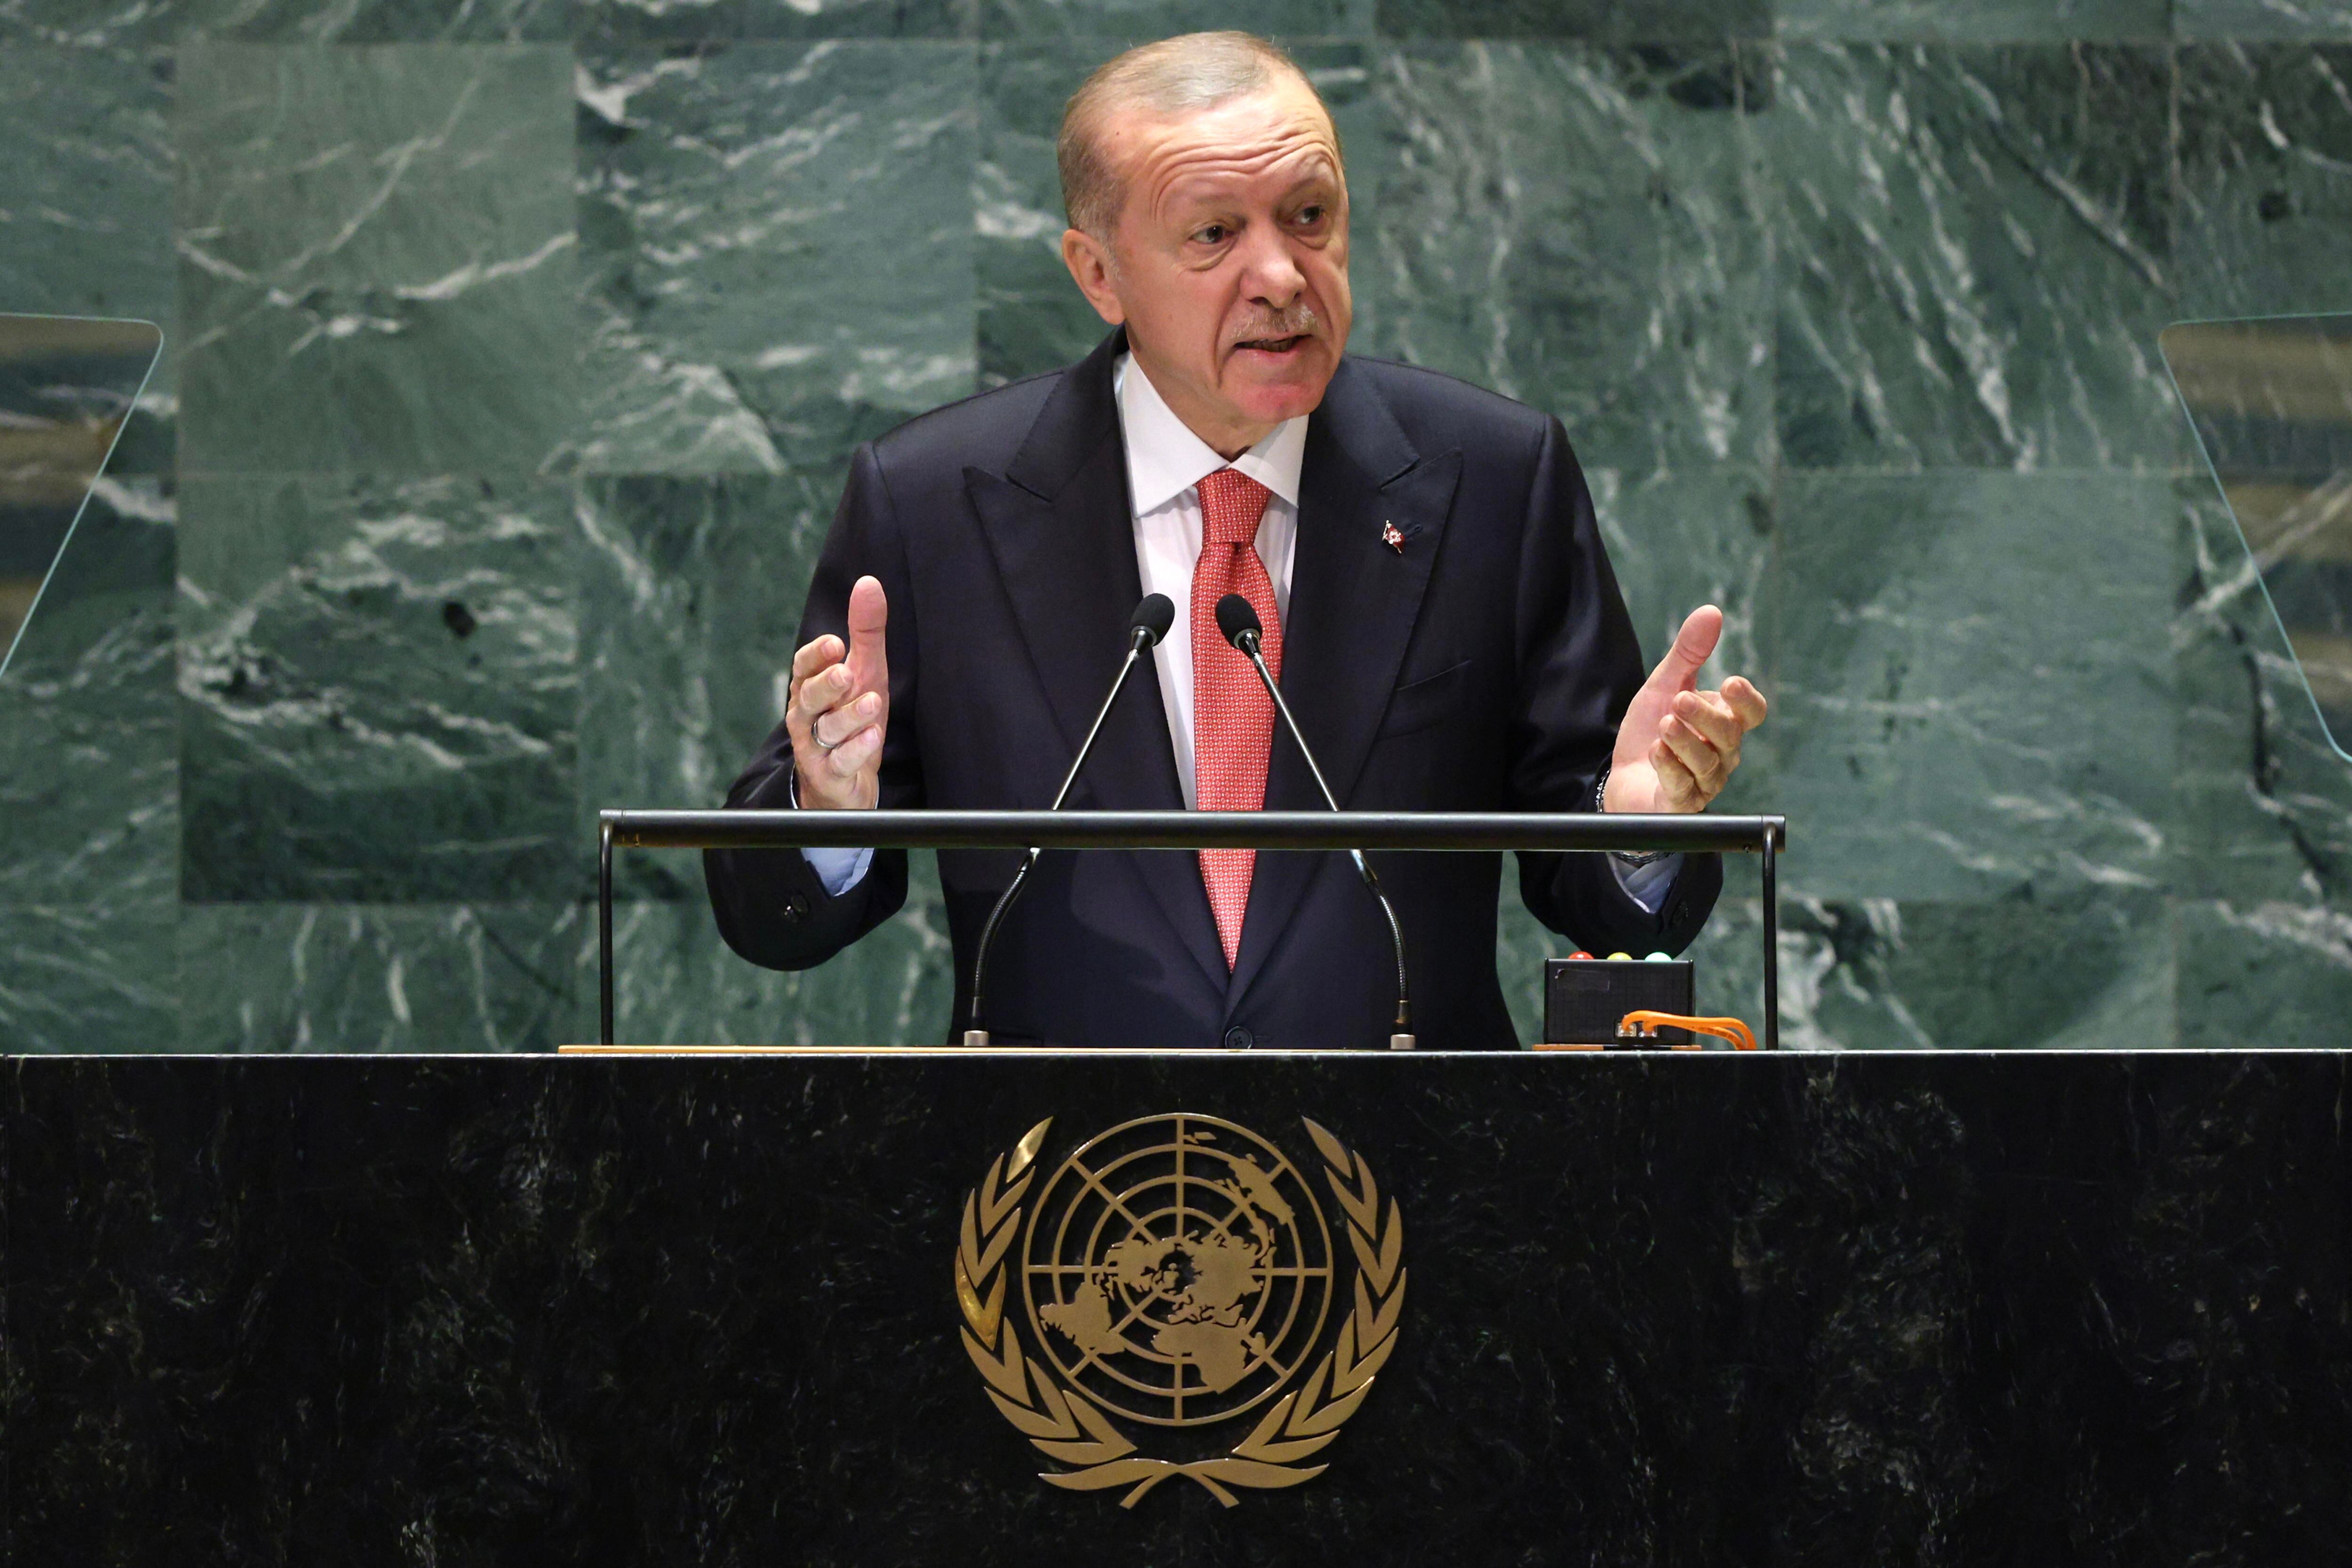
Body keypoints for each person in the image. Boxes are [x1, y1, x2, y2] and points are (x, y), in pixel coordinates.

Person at [705, 32, 1768, 1049]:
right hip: (1061, 1198)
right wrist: (826, 811)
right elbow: (772, 920)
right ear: (1099, 273)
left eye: (1309, 215)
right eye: (1214, 234)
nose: (1282, 275)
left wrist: (1632, 827)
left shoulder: (1493, 477)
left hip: (1414, 1183)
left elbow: (1607, 890)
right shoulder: (935, 501)